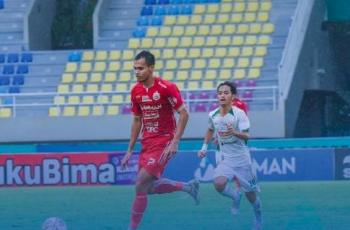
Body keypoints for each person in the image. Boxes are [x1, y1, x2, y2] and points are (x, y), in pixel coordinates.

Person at [121, 50, 199, 230]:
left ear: (151, 68)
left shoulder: (166, 87)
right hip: (147, 143)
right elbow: (137, 120)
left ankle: (131, 228)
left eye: (140, 68)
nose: (137, 72)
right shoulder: (136, 91)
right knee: (147, 188)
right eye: (135, 69)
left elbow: (184, 113)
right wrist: (130, 149)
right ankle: (187, 187)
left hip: (164, 141)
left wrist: (175, 141)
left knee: (140, 183)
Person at [197, 81, 262, 229]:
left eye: (226, 93)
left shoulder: (240, 113)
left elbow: (246, 136)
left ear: (233, 96)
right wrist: (204, 147)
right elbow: (209, 130)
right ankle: (235, 196)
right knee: (219, 184)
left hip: (242, 158)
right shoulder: (212, 114)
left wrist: (235, 132)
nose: (222, 95)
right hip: (225, 156)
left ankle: (258, 218)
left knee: (251, 195)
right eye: (220, 93)